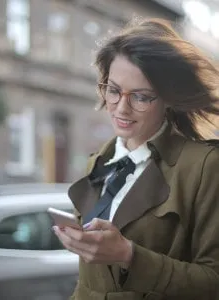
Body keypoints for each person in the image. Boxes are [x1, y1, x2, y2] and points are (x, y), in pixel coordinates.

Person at [52, 18, 219, 300]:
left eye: (140, 97)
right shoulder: (99, 161)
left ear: (168, 99)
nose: (122, 109)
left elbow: (213, 281)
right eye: (114, 90)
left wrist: (129, 255)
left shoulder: (204, 166)